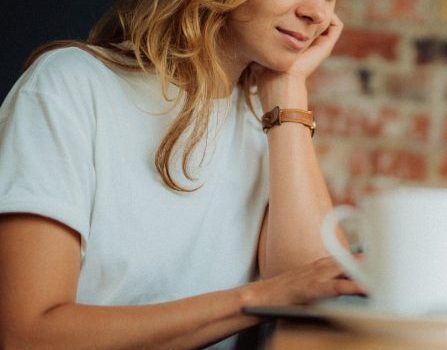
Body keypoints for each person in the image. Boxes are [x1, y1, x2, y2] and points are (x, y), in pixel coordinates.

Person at [0, 0, 363, 348]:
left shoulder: (267, 125)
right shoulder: (69, 87)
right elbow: (29, 336)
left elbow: (316, 291)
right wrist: (257, 299)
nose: (317, 13)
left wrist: (289, 91)